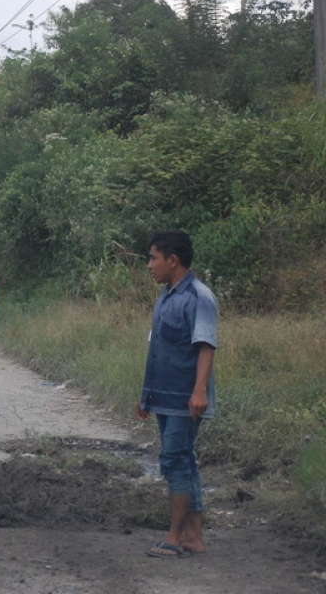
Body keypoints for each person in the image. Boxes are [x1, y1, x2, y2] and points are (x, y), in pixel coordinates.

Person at [138, 230, 218, 558]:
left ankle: (173, 536)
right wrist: (146, 395)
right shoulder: (166, 296)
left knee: (174, 461)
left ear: (173, 260)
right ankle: (193, 536)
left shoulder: (199, 297)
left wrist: (199, 392)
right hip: (164, 395)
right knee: (182, 460)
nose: (149, 265)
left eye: (153, 258)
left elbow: (205, 346)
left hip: (186, 399)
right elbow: (158, 348)